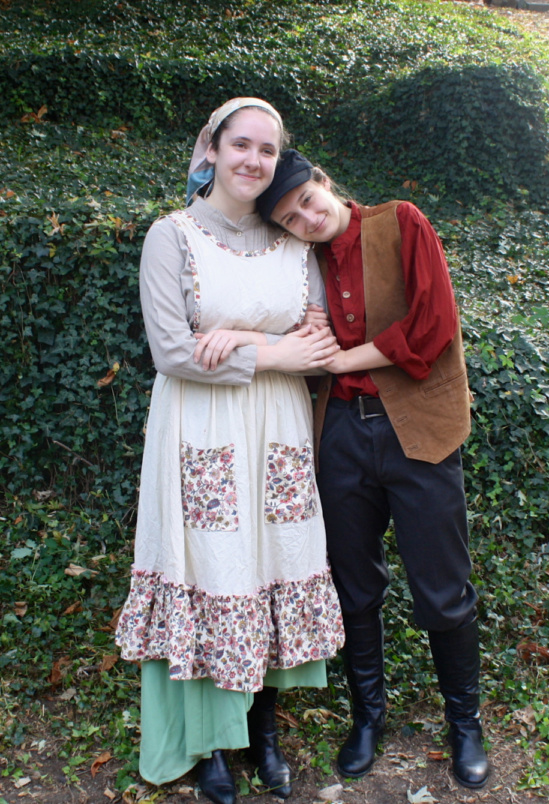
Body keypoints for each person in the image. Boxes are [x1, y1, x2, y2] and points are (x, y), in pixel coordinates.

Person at [115, 104, 345, 804]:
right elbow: (174, 352)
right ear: (210, 148)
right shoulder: (172, 236)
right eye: (239, 144)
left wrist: (239, 338)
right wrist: (269, 347)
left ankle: (263, 728)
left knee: (271, 562)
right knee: (214, 565)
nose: (252, 159)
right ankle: (213, 743)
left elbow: (321, 341)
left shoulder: (293, 241)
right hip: (201, 428)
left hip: (276, 427)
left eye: (267, 149)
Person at [255, 150, 489, 790]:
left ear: (324, 183)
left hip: (420, 432)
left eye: (306, 199)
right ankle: (368, 717)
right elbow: (289, 342)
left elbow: (433, 325)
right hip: (338, 438)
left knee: (442, 588)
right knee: (354, 585)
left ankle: (465, 723)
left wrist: (342, 358)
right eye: (290, 218)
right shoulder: (297, 267)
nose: (307, 217)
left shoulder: (401, 223)